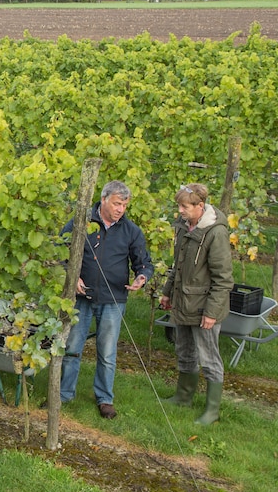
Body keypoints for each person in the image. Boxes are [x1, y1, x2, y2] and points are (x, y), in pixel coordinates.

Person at [58, 181, 154, 419]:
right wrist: (72, 276)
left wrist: (141, 277)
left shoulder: (131, 231)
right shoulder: (81, 222)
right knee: (72, 347)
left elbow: (143, 262)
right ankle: (64, 394)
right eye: (117, 203)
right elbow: (59, 251)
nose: (120, 209)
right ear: (103, 200)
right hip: (81, 297)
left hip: (113, 300)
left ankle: (104, 399)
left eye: (124, 205)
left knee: (107, 352)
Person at [159, 183, 234, 425]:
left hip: (204, 307)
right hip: (183, 301)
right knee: (184, 350)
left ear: (200, 206)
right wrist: (167, 292)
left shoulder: (215, 233)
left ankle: (212, 410)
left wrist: (211, 313)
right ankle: (183, 396)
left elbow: (223, 279)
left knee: (209, 357)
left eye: (184, 206)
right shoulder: (184, 227)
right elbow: (178, 265)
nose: (180, 210)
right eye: (179, 206)